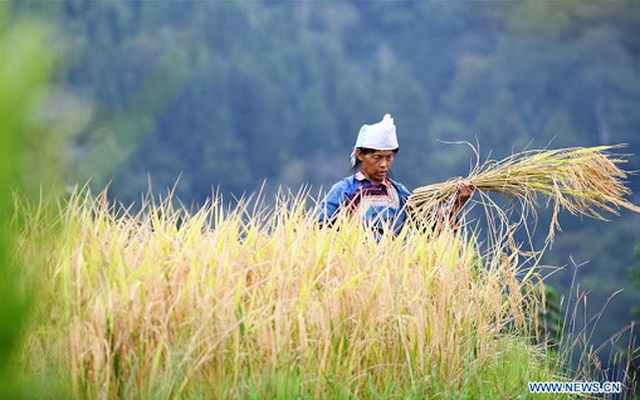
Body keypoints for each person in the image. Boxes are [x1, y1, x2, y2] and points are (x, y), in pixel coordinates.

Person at [317, 113, 474, 237]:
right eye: (377, 157)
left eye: (389, 157)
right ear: (360, 155)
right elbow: (319, 229)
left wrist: (457, 203)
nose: (384, 164)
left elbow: (429, 230)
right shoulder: (344, 191)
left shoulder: (399, 194)